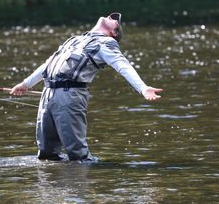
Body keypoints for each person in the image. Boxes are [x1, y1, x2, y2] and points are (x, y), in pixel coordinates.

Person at [10, 12, 163, 162]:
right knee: (46, 153)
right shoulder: (74, 39)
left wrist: (143, 88)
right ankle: (51, 185)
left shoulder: (107, 43)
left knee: (77, 154)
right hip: (47, 93)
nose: (111, 17)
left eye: (115, 20)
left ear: (113, 33)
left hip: (70, 95)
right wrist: (26, 84)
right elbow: (47, 64)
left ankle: (81, 183)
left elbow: (123, 66)